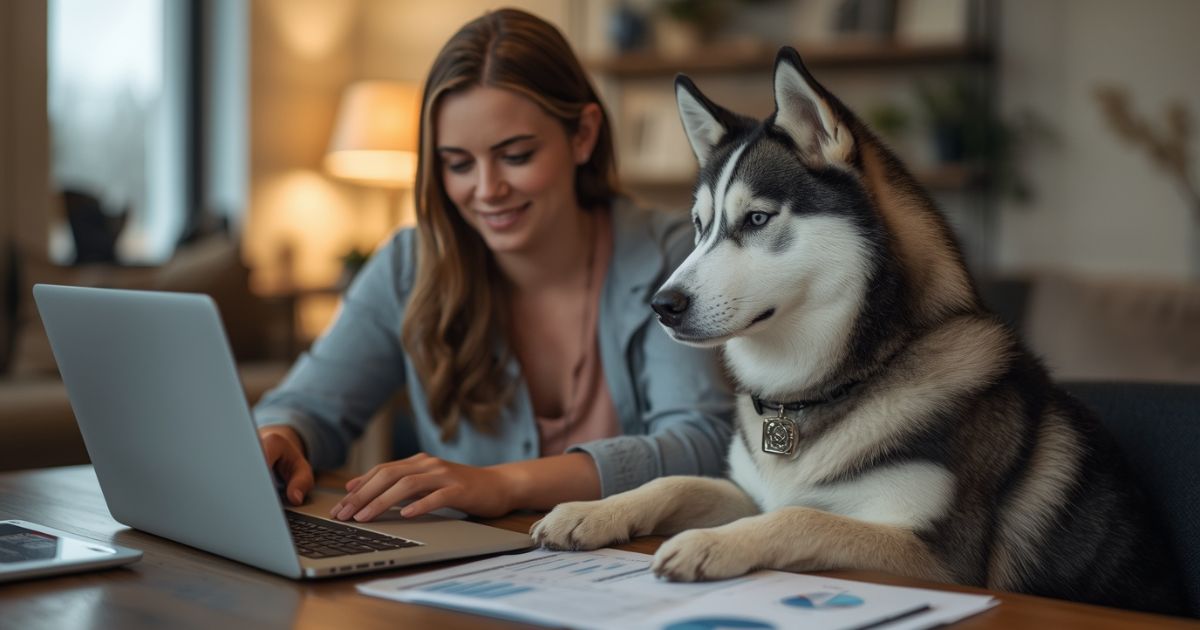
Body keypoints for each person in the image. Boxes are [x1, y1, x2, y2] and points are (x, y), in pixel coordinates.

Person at [255, 8, 733, 523]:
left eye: (516, 155)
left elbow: (701, 445)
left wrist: (502, 484)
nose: (486, 190)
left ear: (583, 135)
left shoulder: (677, 256)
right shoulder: (407, 266)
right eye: (458, 164)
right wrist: (284, 436)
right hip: (457, 581)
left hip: (639, 571)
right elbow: (305, 407)